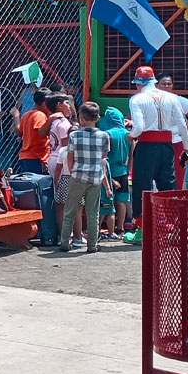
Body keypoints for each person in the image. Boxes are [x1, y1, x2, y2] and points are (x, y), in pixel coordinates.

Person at [125, 66, 188, 244]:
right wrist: (187, 149)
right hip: (167, 144)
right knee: (168, 184)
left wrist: (130, 135)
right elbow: (182, 125)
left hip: (147, 145)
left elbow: (138, 128)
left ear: (138, 83)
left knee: (142, 185)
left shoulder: (137, 99)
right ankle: (174, 227)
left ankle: (142, 228)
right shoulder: (171, 98)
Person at [60, 102, 111, 254]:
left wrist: (72, 171)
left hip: (77, 175)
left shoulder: (74, 135)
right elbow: (103, 157)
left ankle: (64, 242)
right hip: (95, 177)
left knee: (70, 210)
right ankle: (92, 245)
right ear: (98, 118)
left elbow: (70, 157)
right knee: (93, 212)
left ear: (81, 118)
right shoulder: (104, 136)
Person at [45, 93, 82, 248]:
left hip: (55, 159)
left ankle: (63, 235)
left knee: (61, 201)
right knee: (71, 202)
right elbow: (68, 147)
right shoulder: (63, 124)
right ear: (59, 105)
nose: (69, 106)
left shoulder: (55, 122)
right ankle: (72, 235)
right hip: (64, 163)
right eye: (67, 103)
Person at [158, 74, 188, 189]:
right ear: (156, 85)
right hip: (158, 142)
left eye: (169, 84)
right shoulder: (150, 100)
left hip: (178, 142)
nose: (167, 86)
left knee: (179, 174)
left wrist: (185, 127)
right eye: (164, 84)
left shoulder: (178, 100)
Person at [98, 106, 131, 240]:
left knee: (106, 202)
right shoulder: (128, 134)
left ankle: (98, 228)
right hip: (124, 170)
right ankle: (120, 228)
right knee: (122, 200)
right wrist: (128, 169)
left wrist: (108, 178)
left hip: (110, 172)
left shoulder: (107, 134)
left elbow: (103, 156)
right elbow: (131, 155)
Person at [16, 87, 52, 175]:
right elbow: (41, 132)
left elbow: (19, 132)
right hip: (37, 157)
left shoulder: (27, 114)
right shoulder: (39, 115)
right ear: (44, 103)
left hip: (26, 157)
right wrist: (52, 118)